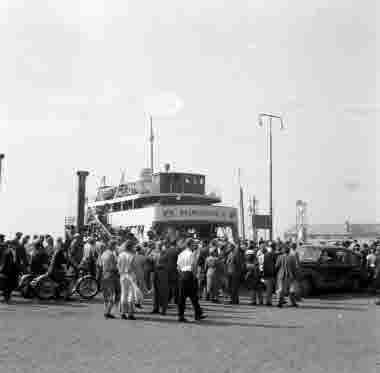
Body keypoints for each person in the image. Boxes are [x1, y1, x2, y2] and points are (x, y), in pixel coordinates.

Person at [177, 239, 206, 322]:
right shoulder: (192, 254)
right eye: (193, 244)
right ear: (190, 245)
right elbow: (193, 266)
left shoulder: (181, 254)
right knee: (193, 295)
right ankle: (198, 314)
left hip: (182, 274)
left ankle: (181, 315)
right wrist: (194, 276)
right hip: (189, 274)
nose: (195, 246)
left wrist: (182, 274)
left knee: (182, 296)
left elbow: (178, 267)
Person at [98, 240, 120, 319]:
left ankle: (107, 311)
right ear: (113, 246)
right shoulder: (111, 254)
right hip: (111, 274)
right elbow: (114, 267)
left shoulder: (103, 253)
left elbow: (99, 265)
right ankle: (108, 312)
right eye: (115, 245)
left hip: (104, 274)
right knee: (114, 294)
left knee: (106, 294)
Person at [117, 240, 138, 320]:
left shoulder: (121, 255)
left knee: (123, 294)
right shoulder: (132, 255)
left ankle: (123, 313)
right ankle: (130, 313)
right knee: (131, 295)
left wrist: (121, 272)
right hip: (131, 275)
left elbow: (118, 265)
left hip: (122, 275)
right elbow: (134, 267)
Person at [150, 241, 170, 315]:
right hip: (155, 273)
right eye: (157, 245)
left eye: (160, 245)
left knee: (163, 292)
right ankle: (155, 308)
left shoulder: (165, 253)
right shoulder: (154, 253)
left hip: (163, 273)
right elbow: (150, 260)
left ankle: (163, 309)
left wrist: (161, 265)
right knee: (155, 292)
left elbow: (168, 264)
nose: (158, 246)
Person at [0, 237, 19, 303]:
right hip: (7, 271)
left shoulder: (15, 252)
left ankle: (8, 298)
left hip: (14, 272)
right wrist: (2, 271)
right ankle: (6, 299)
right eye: (14, 245)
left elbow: (16, 261)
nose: (15, 246)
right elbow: (4, 263)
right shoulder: (7, 253)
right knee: (6, 286)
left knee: (10, 286)